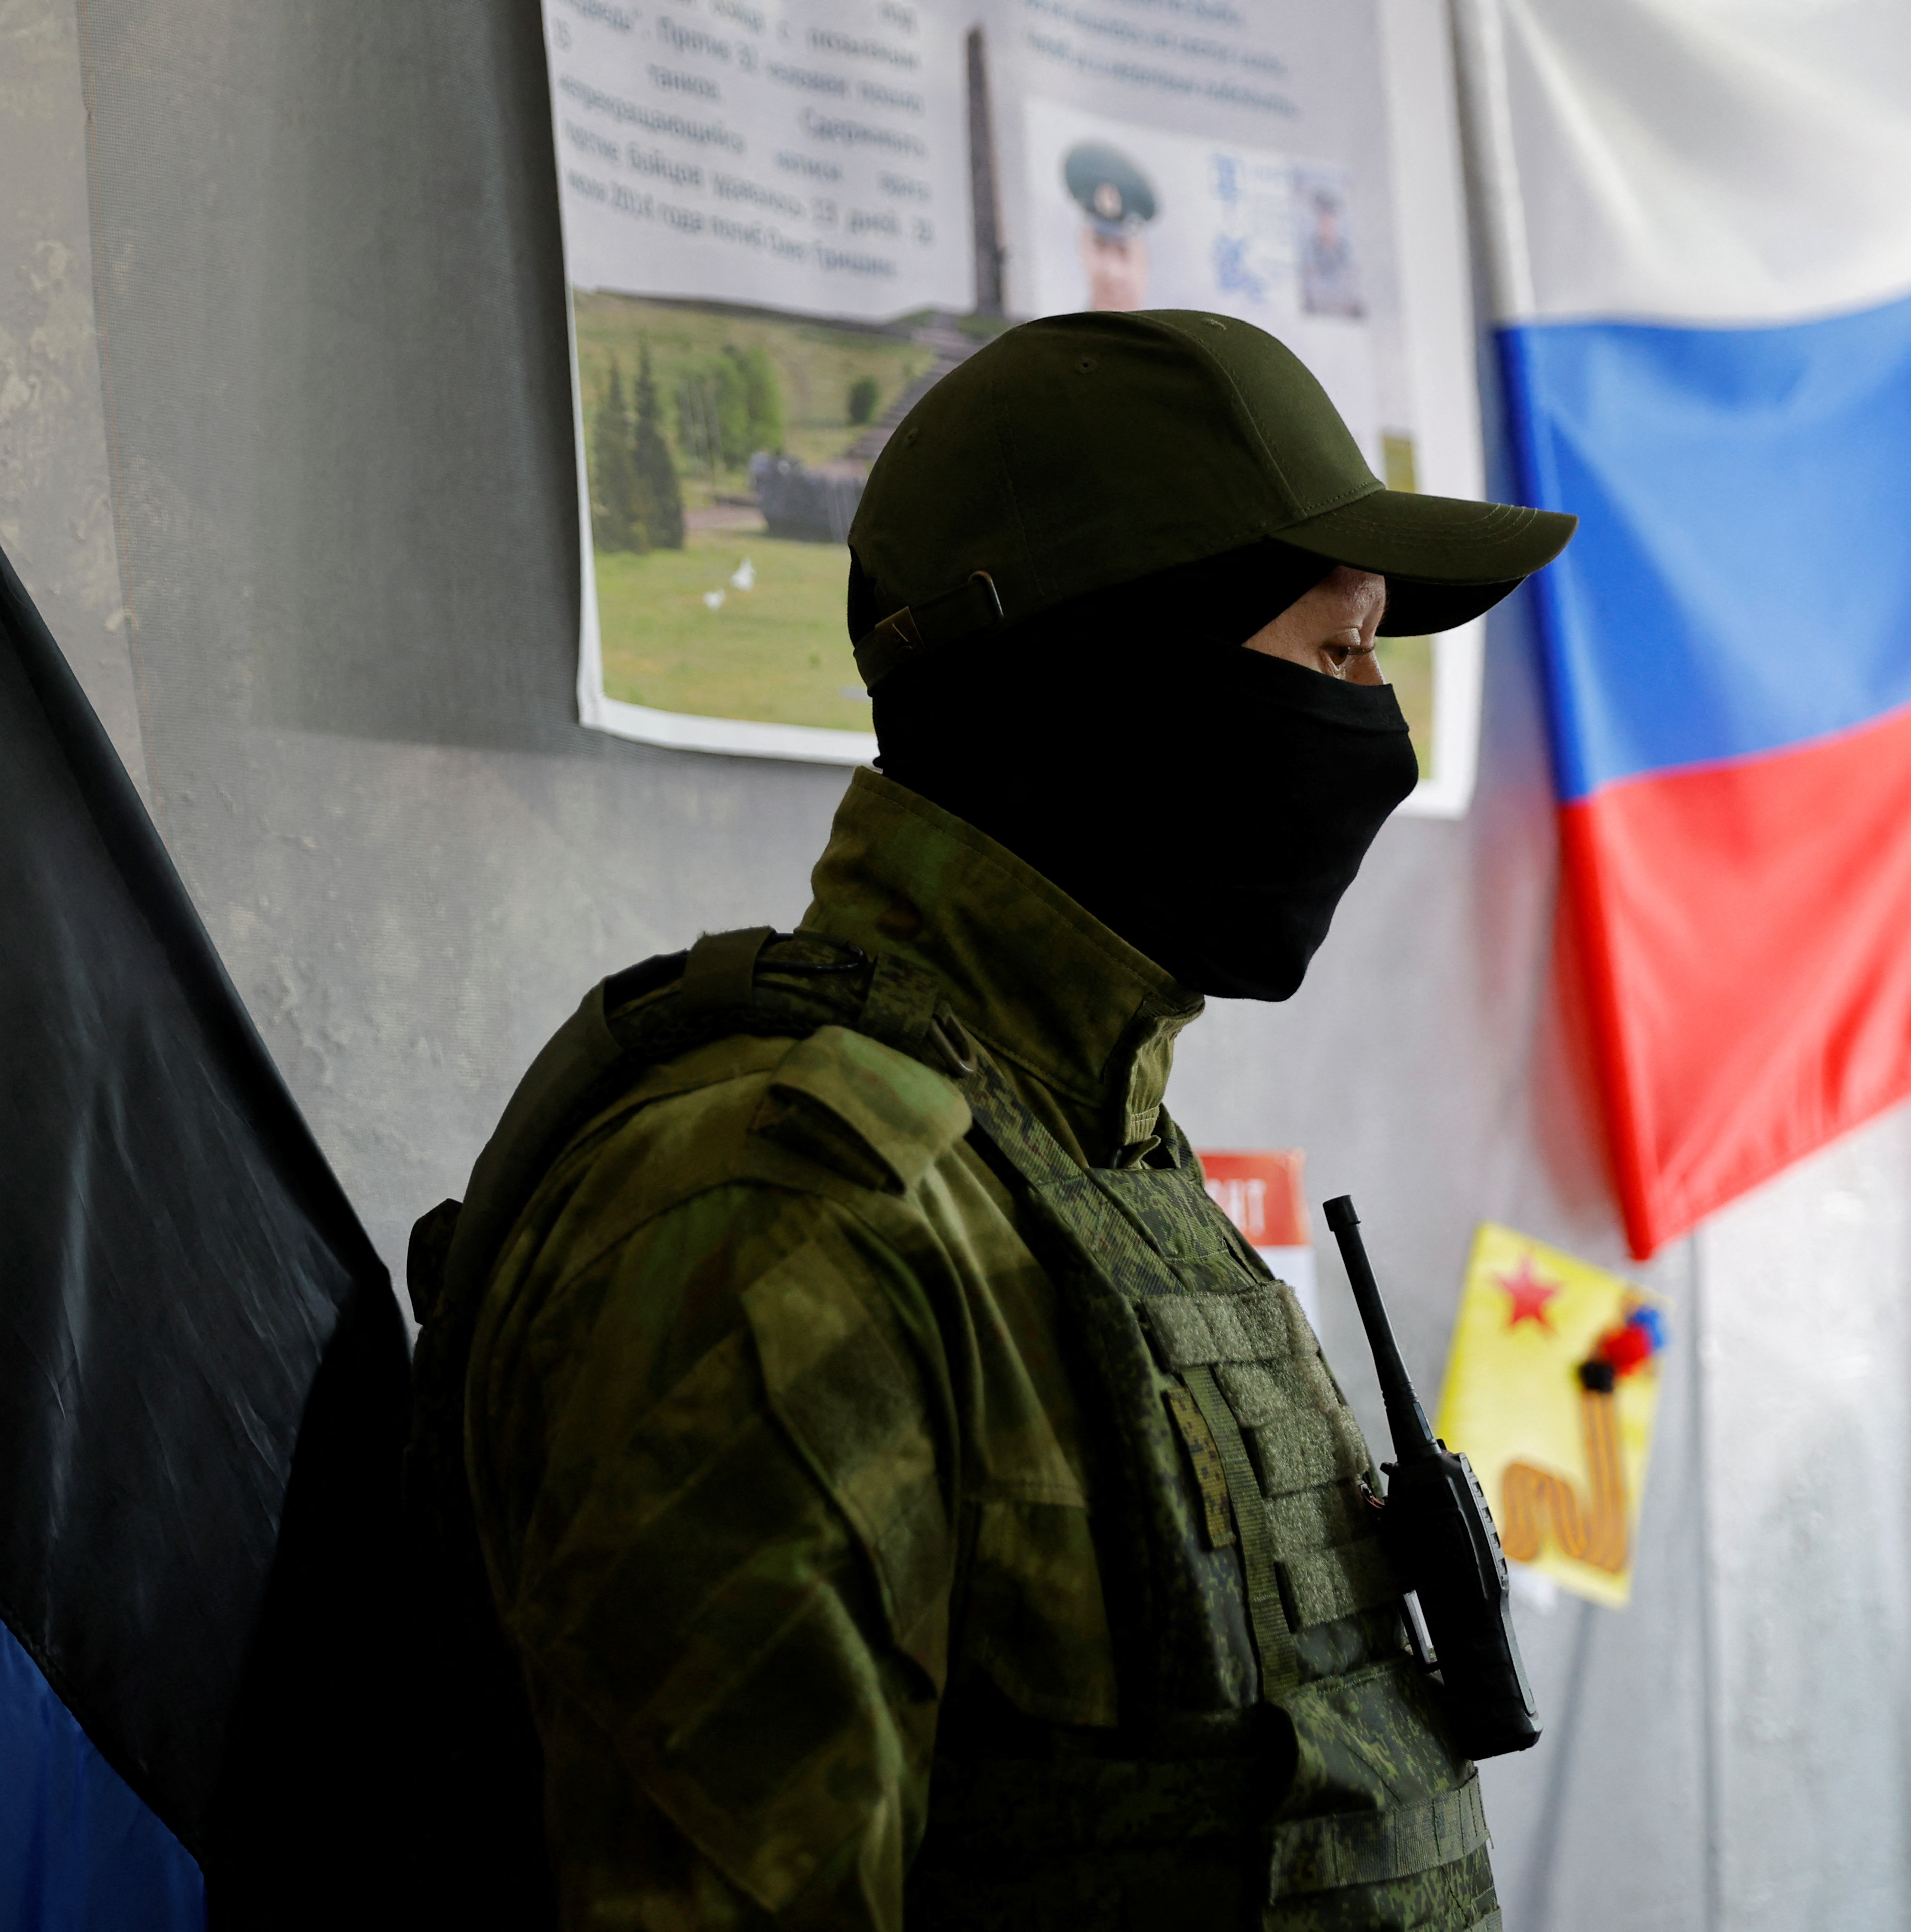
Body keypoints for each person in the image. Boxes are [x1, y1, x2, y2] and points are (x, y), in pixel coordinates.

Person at [405, 310, 1573, 1930]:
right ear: (1113, 681)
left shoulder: (1089, 1150)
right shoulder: (785, 1221)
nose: (1371, 723)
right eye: (1333, 652)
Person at [1065, 140, 1157, 311]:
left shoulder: (1171, 337)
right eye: (1100, 247)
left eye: (1123, 252)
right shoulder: (1057, 335)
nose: (1111, 272)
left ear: (1145, 261)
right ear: (1082, 249)